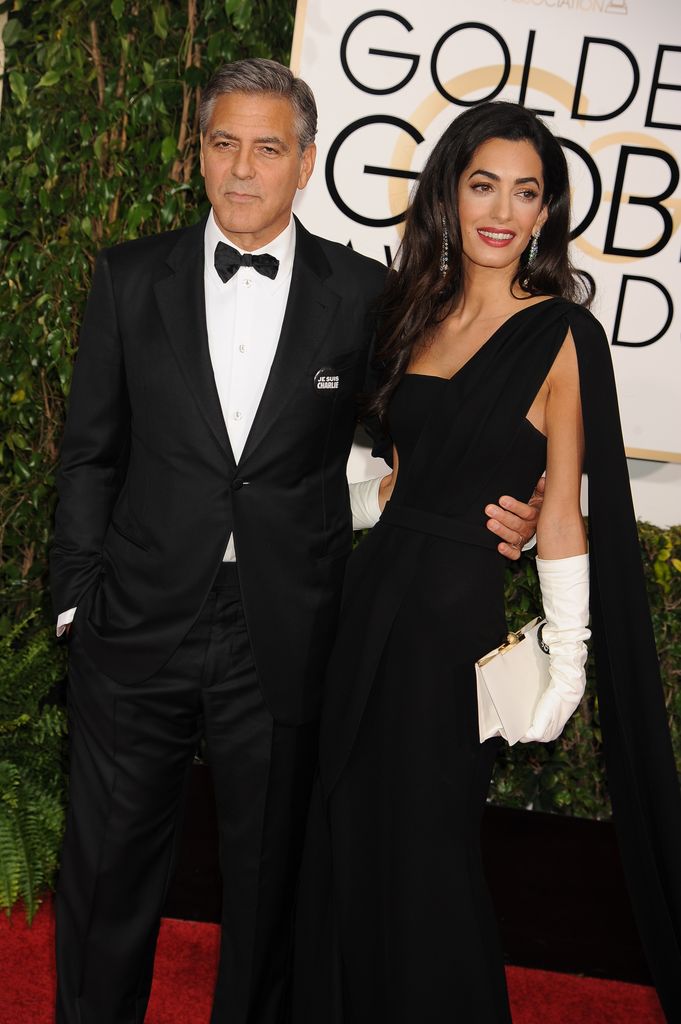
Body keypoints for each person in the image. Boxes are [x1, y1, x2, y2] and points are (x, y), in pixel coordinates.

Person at [49, 60, 540, 1024]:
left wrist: (512, 504)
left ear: (305, 162)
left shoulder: (363, 294)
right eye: (223, 144)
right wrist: (78, 603)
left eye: (267, 148)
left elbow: (426, 431)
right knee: (104, 878)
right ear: (198, 154)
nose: (242, 169)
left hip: (285, 636)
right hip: (134, 625)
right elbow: (89, 454)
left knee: (269, 894)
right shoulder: (129, 275)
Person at [293, 101, 681, 1023]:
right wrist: (375, 497)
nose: (501, 209)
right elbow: (377, 472)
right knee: (348, 831)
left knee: (429, 853)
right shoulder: (410, 314)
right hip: (369, 600)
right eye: (482, 185)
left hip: (451, 626)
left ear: (546, 212)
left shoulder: (562, 335)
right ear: (449, 195)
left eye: (526, 191)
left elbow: (559, 510)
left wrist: (568, 657)